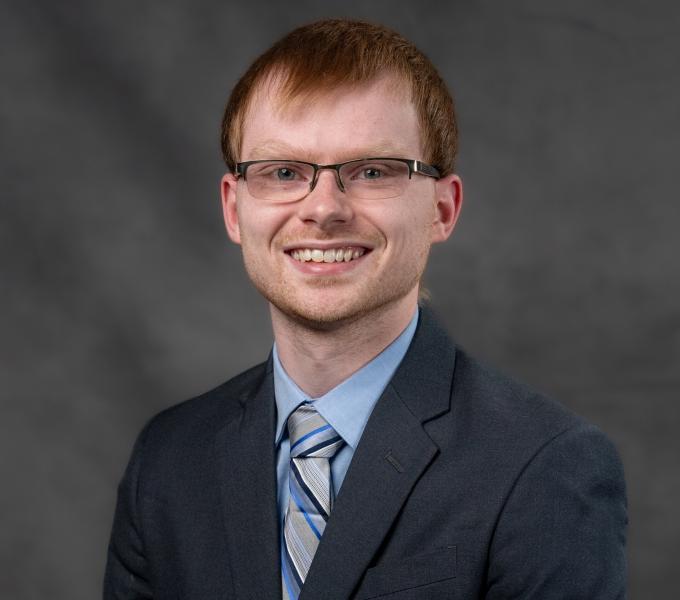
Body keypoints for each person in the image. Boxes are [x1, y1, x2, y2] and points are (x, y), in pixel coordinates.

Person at [104, 19, 627, 600]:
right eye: (283, 173)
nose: (323, 208)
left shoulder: (546, 468)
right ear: (234, 209)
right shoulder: (170, 461)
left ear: (442, 210)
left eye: (372, 171)